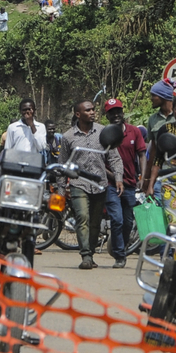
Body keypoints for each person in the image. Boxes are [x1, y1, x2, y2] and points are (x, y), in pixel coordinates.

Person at [60, 100, 124, 270]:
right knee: (82, 218)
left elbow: (114, 158)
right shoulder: (68, 137)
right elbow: (62, 164)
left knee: (95, 222)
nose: (92, 112)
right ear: (78, 114)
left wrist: (118, 178)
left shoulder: (104, 132)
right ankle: (86, 255)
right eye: (87, 110)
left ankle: (92, 252)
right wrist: (60, 189)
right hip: (78, 183)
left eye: (93, 109)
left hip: (99, 184)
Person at [103, 98, 147, 269]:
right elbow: (101, 160)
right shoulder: (105, 134)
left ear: (123, 112)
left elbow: (142, 155)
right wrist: (114, 177)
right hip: (111, 183)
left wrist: (143, 176)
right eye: (111, 112)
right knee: (117, 219)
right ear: (107, 115)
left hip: (130, 183)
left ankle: (120, 247)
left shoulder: (134, 132)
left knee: (128, 222)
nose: (116, 115)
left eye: (118, 111)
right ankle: (120, 256)